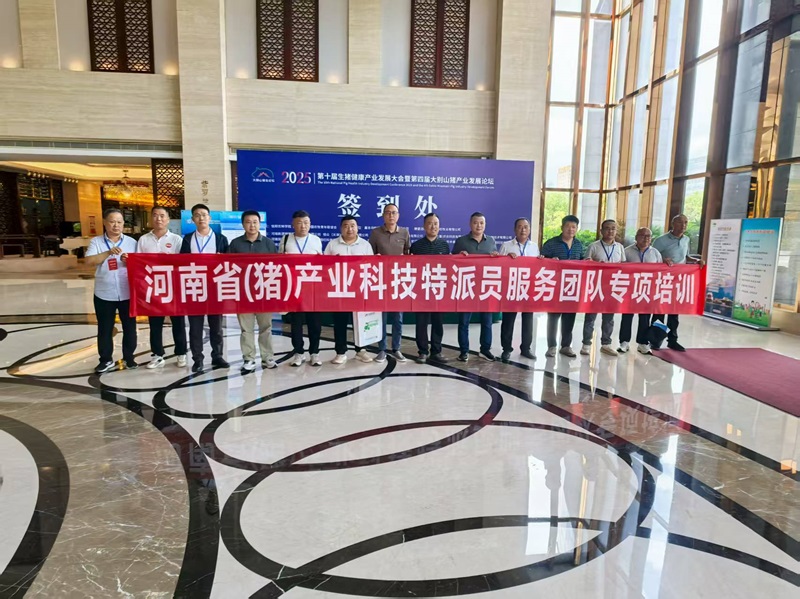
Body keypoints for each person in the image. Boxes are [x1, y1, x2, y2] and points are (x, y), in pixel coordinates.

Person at [86, 208, 139, 373]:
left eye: (119, 222)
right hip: (104, 293)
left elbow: (140, 265)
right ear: (105, 223)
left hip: (127, 292)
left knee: (130, 328)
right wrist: (108, 252)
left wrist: (130, 261)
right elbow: (89, 261)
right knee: (105, 328)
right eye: (112, 221)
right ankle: (105, 360)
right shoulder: (96, 242)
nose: (116, 225)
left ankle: (129, 358)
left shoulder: (132, 242)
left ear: (123, 224)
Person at [180, 203, 230, 373]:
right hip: (194, 288)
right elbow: (181, 263)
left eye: (204, 215)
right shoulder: (187, 239)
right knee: (195, 327)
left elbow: (229, 265)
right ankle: (198, 359)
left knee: (216, 326)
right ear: (192, 219)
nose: (201, 218)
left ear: (210, 218)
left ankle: (217, 356)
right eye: (197, 215)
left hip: (215, 288)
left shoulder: (220, 239)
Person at [137, 206, 187, 369]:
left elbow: (183, 264)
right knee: (155, 323)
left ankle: (181, 353)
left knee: (178, 322)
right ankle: (157, 355)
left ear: (168, 219)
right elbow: (138, 264)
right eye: (155, 215)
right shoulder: (143, 240)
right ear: (151, 218)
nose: (158, 219)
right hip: (153, 288)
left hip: (173, 287)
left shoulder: (176, 240)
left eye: (162, 216)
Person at [228, 210, 278, 374]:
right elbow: (228, 267)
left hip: (264, 292)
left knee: (266, 327)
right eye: (248, 222)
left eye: (255, 222)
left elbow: (276, 267)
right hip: (243, 293)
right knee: (246, 329)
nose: (252, 225)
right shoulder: (235, 244)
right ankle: (248, 358)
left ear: (259, 223)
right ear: (243, 224)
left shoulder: (268, 243)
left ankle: (267, 357)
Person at [324, 216, 375, 365]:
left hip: (359, 289)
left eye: (352, 225)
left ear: (357, 228)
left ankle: (361, 350)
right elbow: (324, 266)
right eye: (346, 226)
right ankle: (340, 352)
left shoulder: (365, 245)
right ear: (341, 228)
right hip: (340, 290)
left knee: (360, 321)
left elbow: (372, 266)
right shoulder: (332, 245)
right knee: (340, 321)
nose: (349, 229)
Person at [651, 214, 704, 352]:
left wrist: (696, 261)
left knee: (674, 312)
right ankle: (655, 340)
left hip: (679, 281)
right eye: (680, 222)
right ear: (673, 223)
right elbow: (652, 256)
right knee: (660, 311)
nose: (683, 225)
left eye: (686, 222)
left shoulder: (686, 239)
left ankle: (672, 340)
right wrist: (663, 260)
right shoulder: (661, 240)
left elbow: (686, 257)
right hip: (663, 281)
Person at [452, 212, 499, 362]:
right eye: (475, 222)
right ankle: (464, 351)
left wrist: (496, 257)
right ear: (470, 224)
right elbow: (451, 261)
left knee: (487, 321)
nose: (478, 226)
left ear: (485, 225)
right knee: (464, 321)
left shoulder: (491, 241)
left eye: (481, 223)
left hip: (485, 286)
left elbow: (496, 263)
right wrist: (459, 256)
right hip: (467, 286)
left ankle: (485, 350)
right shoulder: (461, 241)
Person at [279, 210, 324, 367]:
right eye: (299, 223)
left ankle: (314, 353)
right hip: (294, 288)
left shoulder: (316, 240)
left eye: (306, 223)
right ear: (293, 224)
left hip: (312, 288)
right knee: (296, 324)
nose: (303, 226)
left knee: (315, 324)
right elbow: (279, 263)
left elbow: (321, 263)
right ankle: (299, 353)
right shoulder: (286, 239)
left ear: (310, 224)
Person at [368, 202, 411, 363]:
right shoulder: (376, 233)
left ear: (398, 215)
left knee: (398, 317)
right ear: (383, 215)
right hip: (381, 281)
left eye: (394, 213)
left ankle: (396, 348)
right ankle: (382, 349)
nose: (391, 215)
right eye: (388, 212)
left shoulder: (405, 232)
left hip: (399, 281)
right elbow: (370, 256)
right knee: (382, 317)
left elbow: (408, 254)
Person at [540, 215, 586, 358]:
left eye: (574, 227)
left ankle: (566, 346)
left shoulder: (579, 245)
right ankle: (552, 346)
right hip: (555, 286)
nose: (570, 229)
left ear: (577, 229)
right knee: (553, 317)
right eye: (568, 226)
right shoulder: (551, 243)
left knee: (569, 317)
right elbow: (540, 261)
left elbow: (583, 261)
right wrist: (550, 260)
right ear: (562, 227)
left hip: (572, 287)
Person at [409, 212, 450, 365]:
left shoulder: (444, 245)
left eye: (436, 223)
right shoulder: (416, 246)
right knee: (421, 322)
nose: (433, 226)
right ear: (424, 226)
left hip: (439, 289)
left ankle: (436, 351)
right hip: (421, 290)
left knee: (438, 322)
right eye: (430, 223)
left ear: (439, 226)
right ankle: (422, 351)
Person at [582, 219, 625, 357]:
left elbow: (624, 266)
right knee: (590, 317)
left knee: (609, 318)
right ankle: (586, 344)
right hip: (596, 287)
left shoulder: (620, 247)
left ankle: (606, 344)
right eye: (607, 228)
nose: (610, 231)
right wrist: (595, 264)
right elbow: (585, 264)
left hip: (612, 287)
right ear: (601, 231)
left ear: (616, 231)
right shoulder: (593, 246)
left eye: (613, 228)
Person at [498, 217, 539, 363]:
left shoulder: (534, 247)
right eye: (520, 227)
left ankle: (526, 348)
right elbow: (499, 266)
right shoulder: (506, 245)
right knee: (508, 319)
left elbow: (537, 267)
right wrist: (507, 259)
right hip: (511, 287)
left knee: (528, 319)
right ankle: (506, 349)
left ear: (529, 229)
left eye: (526, 227)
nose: (523, 230)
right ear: (515, 229)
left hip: (528, 287)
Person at [619, 227, 663, 355]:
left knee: (645, 317)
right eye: (643, 235)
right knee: (627, 316)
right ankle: (624, 342)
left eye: (648, 236)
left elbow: (661, 271)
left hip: (647, 290)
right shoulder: (627, 251)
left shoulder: (655, 253)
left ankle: (643, 343)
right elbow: (620, 269)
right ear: (636, 237)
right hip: (630, 289)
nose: (646, 238)